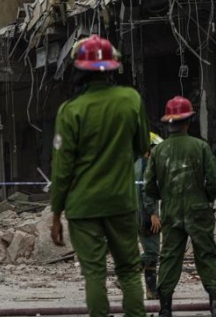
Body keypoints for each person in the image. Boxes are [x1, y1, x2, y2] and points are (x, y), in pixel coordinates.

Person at [49, 34, 149, 317]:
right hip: (120, 202)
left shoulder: (70, 111)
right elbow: (142, 147)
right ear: (113, 67)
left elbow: (62, 169)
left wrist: (56, 213)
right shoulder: (131, 100)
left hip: (83, 207)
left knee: (94, 274)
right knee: (129, 270)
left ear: (79, 70)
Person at [144, 95, 216, 317]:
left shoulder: (158, 151)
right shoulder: (201, 147)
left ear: (168, 123)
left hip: (171, 212)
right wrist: (206, 198)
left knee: (169, 257)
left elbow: (148, 187)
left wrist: (166, 196)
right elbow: (213, 179)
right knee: (206, 255)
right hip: (199, 210)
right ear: (189, 121)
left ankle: (165, 307)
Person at [136, 132, 163, 299]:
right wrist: (153, 213)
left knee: (151, 255)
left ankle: (151, 291)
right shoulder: (147, 165)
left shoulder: (137, 164)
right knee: (152, 253)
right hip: (147, 215)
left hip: (138, 215)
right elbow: (147, 191)